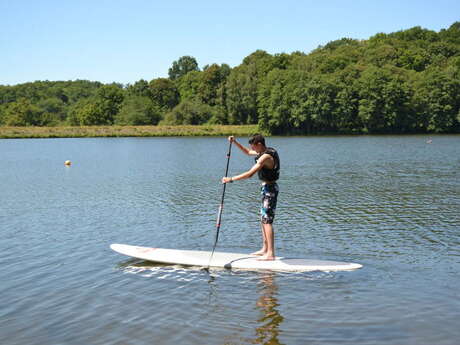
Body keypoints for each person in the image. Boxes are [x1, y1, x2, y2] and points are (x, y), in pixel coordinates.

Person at [221, 134, 280, 261]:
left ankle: (271, 253)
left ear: (259, 144)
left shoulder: (266, 156)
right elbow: (247, 152)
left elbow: (250, 174)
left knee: (267, 221)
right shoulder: (263, 151)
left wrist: (230, 179)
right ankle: (265, 249)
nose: (253, 149)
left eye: (254, 147)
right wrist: (235, 142)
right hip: (266, 189)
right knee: (263, 219)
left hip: (270, 190)